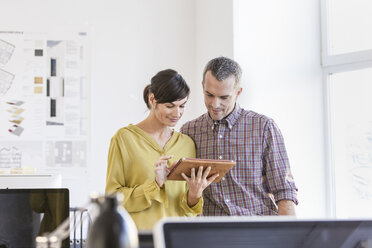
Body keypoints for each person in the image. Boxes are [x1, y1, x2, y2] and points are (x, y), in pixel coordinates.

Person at [180, 57, 298, 216]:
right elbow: (182, 194)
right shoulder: (189, 131)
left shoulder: (263, 127)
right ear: (203, 87)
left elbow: (284, 190)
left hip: (256, 230)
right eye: (209, 95)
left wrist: (288, 237)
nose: (215, 104)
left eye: (224, 97)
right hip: (211, 233)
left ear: (238, 92)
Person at [105, 69, 218, 230]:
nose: (177, 113)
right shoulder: (124, 139)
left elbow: (188, 212)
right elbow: (113, 199)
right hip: (139, 238)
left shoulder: (186, 143)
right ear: (152, 99)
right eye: (170, 106)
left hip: (177, 238)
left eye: (182, 106)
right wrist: (155, 184)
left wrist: (194, 195)